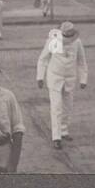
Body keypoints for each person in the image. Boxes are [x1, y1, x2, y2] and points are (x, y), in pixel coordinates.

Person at [37, 21, 87, 149]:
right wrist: (40, 76)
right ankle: (56, 137)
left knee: (68, 106)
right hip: (55, 77)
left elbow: (81, 61)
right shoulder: (53, 41)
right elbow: (43, 59)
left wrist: (83, 79)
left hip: (70, 78)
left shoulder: (77, 42)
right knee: (56, 107)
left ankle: (64, 130)